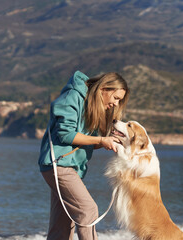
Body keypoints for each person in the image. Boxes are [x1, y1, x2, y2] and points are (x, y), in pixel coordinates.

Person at [38, 70, 130, 240]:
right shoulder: (73, 97)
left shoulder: (90, 104)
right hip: (59, 165)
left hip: (67, 167)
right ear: (104, 88)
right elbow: (65, 135)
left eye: (119, 101)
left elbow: (83, 142)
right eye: (116, 98)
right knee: (88, 210)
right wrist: (101, 140)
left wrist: (104, 142)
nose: (116, 104)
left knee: (62, 225)